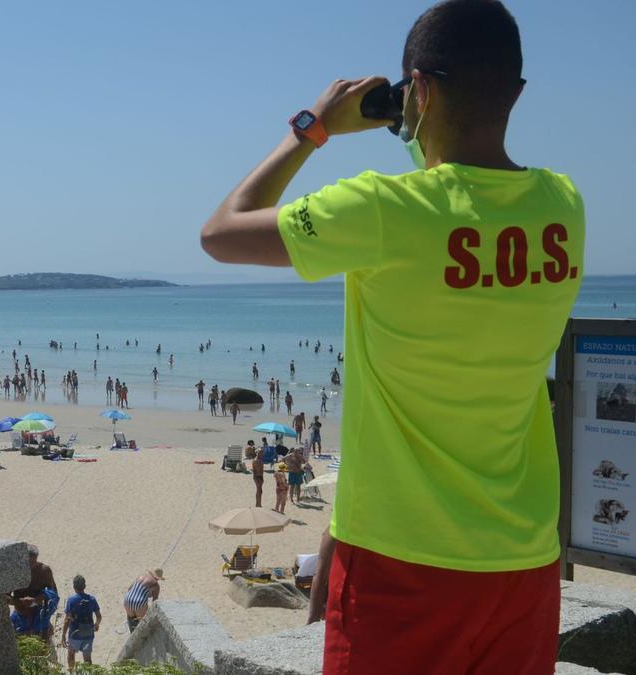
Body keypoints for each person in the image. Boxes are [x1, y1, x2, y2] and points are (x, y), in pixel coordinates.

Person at [198, 2, 582, 672]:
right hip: (522, 559)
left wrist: (311, 128)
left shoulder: (379, 211)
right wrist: (416, 120)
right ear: (517, 92)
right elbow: (461, 190)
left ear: (420, 92)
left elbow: (222, 232)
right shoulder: (563, 207)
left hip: (401, 563)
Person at [8, 545, 58, 639]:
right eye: (27, 563)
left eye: (33, 562)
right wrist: (21, 601)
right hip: (20, 616)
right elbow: (5, 598)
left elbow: (53, 594)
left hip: (39, 616)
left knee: (43, 646)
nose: (31, 566)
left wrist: (35, 601)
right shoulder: (14, 573)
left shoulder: (44, 571)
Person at [62, 575, 102, 671]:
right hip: (88, 633)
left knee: (71, 654)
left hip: (75, 634)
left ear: (74, 587)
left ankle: (71, 672)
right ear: (85, 586)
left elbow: (67, 619)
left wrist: (63, 634)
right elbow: (99, 616)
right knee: (87, 658)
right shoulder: (91, 599)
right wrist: (96, 624)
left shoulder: (71, 600)